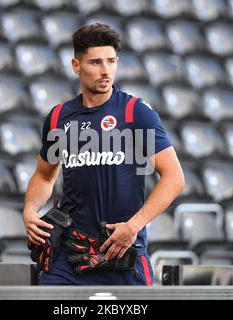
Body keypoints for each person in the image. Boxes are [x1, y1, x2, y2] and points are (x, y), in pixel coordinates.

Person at [22, 23, 185, 285]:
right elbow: (44, 176)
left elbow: (174, 177)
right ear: (76, 65)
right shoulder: (58, 118)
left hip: (122, 254)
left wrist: (133, 226)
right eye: (96, 62)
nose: (106, 70)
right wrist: (30, 210)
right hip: (69, 257)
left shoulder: (135, 112)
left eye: (111, 61)